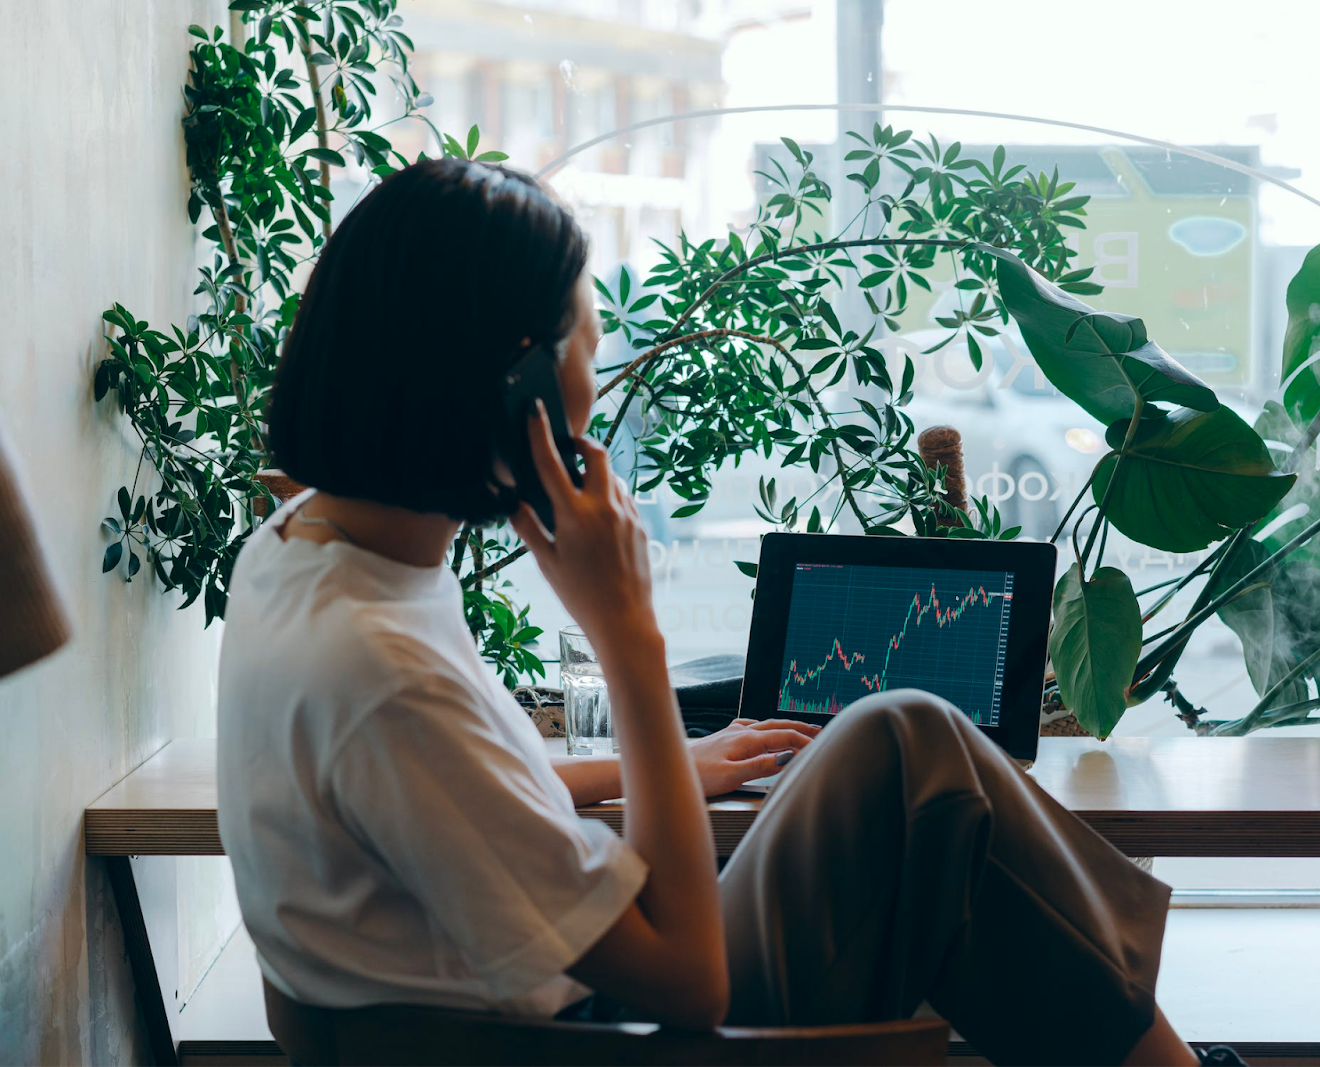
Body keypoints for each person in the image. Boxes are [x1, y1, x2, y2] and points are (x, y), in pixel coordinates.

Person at [216, 157, 1241, 1067]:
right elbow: (689, 975)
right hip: (608, 1033)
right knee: (930, 774)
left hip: (541, 998)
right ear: (515, 378)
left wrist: (659, 766)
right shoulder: (384, 668)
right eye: (588, 334)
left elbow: (456, 788)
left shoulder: (306, 551)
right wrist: (627, 634)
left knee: (903, 737)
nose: (602, 367)